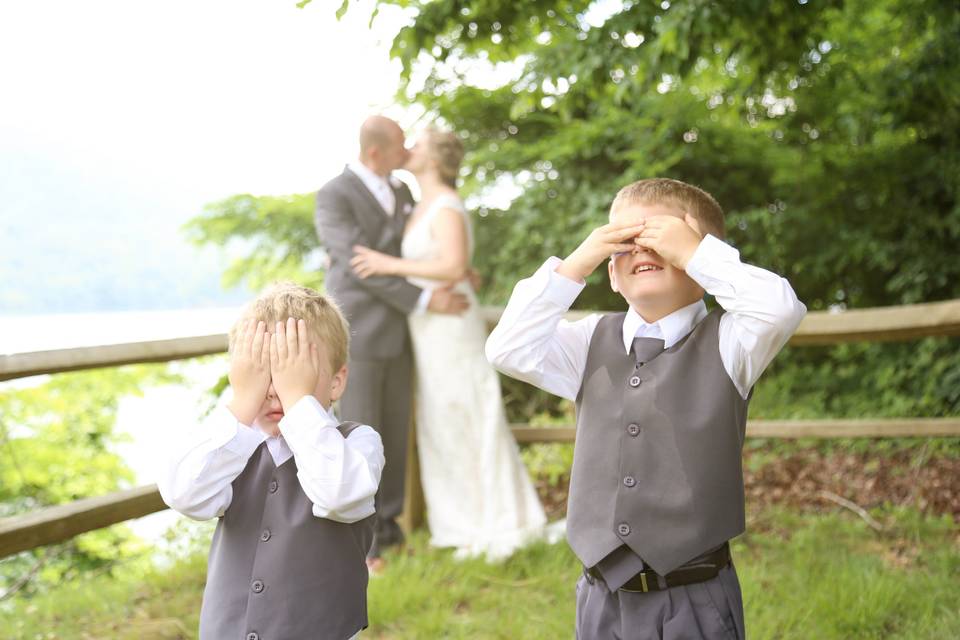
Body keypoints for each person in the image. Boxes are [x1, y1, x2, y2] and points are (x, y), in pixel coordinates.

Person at [486, 178, 807, 639]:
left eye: (663, 238)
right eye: (626, 242)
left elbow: (780, 309)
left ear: (700, 263)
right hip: (601, 596)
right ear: (612, 274)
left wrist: (696, 252)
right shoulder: (588, 340)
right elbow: (507, 348)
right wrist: (578, 261)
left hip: (694, 596)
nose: (643, 249)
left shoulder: (733, 342)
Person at [349, 127, 548, 560]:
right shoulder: (415, 202)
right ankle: (457, 521)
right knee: (440, 420)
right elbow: (448, 264)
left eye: (417, 145)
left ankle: (494, 518)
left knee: (466, 411)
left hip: (452, 324)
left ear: (434, 161)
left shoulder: (445, 205)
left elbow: (456, 264)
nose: (409, 150)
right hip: (427, 327)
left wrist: (387, 264)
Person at [159, 282, 383, 640]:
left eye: (293, 374)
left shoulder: (356, 443)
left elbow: (340, 495)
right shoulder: (233, 448)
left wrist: (299, 405)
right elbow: (184, 495)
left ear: (337, 382)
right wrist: (243, 403)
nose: (276, 390)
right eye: (263, 374)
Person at [315, 116, 469, 570]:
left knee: (394, 435)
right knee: (360, 432)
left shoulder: (404, 193)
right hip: (359, 331)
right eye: (402, 145)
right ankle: (364, 547)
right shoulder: (334, 195)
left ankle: (391, 527)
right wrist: (424, 299)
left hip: (403, 333)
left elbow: (402, 257)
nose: (407, 153)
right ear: (377, 151)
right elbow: (360, 265)